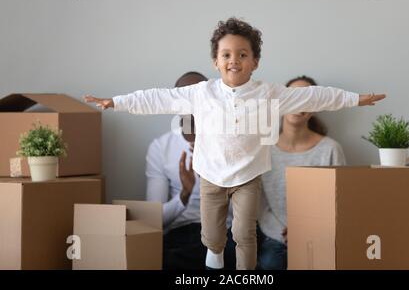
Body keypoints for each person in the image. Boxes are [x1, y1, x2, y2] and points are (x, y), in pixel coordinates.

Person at [84, 17, 385, 270]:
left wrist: (355, 99)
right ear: (215, 61)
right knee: (212, 237)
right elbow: (158, 98)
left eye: (242, 54)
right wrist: (118, 102)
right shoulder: (201, 93)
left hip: (248, 176)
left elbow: (316, 96)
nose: (234, 60)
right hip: (211, 175)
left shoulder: (269, 93)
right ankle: (213, 256)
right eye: (226, 54)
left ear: (255, 61)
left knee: (244, 233)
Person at [146, 71, 236, 270]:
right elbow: (154, 219)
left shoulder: (230, 143)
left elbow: (243, 212)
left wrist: (212, 177)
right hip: (181, 232)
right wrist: (184, 196)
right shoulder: (161, 147)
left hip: (225, 231)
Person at [257, 75, 347, 270]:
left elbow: (340, 201)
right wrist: (285, 232)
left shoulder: (330, 149)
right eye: (293, 97)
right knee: (270, 263)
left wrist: (309, 230)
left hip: (320, 235)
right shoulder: (264, 149)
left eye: (306, 98)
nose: (298, 104)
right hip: (276, 236)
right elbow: (259, 204)